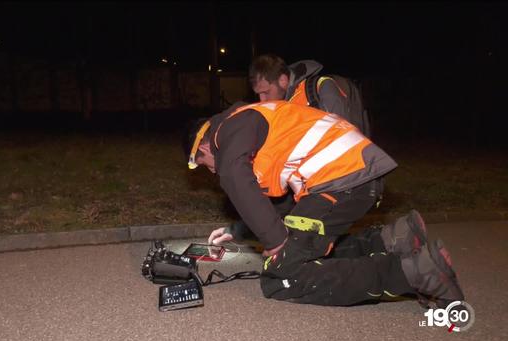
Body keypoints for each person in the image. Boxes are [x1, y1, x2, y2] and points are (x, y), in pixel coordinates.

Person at [183, 100, 464, 308]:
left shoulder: (231, 129)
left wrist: (276, 242)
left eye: (204, 164)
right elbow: (278, 206)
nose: (210, 171)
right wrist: (239, 230)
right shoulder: (252, 124)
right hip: (351, 177)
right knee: (302, 248)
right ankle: (391, 239)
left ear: (203, 148)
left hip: (339, 181)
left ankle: (415, 273)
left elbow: (233, 175)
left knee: (283, 275)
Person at [249, 54, 371, 137]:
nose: (262, 100)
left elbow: (341, 138)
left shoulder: (322, 88)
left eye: (265, 92)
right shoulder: (280, 104)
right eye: (258, 94)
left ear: (283, 80)